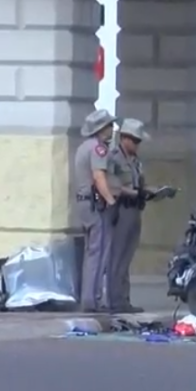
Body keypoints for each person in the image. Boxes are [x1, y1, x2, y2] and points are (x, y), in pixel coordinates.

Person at [98, 118, 172, 314]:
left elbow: (139, 184)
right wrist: (136, 193)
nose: (138, 145)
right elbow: (113, 185)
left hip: (134, 210)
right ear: (124, 138)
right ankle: (114, 301)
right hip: (119, 209)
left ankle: (124, 299)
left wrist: (153, 192)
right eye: (136, 141)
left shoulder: (135, 161)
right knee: (116, 256)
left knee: (126, 257)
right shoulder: (113, 158)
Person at [74, 109, 120, 312]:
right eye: (110, 126)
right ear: (102, 129)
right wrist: (110, 201)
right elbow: (99, 177)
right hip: (95, 205)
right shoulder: (98, 149)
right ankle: (92, 300)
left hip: (85, 203)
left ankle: (89, 298)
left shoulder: (84, 147)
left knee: (91, 251)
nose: (112, 129)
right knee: (98, 251)